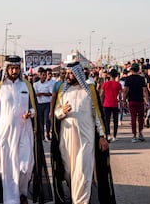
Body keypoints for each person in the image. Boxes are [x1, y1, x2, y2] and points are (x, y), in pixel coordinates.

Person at [0, 55, 52, 204]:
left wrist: (31, 113)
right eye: (11, 68)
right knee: (7, 170)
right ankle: (12, 200)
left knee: (26, 166)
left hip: (24, 132)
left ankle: (22, 192)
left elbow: (33, 108)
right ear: (6, 69)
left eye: (16, 68)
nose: (14, 71)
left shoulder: (26, 86)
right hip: (4, 135)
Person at [51, 61, 116, 204]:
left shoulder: (89, 90)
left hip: (86, 138)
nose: (68, 75)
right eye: (66, 73)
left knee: (82, 171)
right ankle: (75, 197)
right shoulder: (63, 90)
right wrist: (62, 111)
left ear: (78, 73)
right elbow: (56, 113)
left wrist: (102, 136)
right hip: (66, 138)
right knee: (68, 172)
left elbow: (98, 115)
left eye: (71, 72)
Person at [123, 63, 150, 143]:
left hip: (131, 101)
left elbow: (125, 91)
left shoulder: (128, 79)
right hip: (140, 101)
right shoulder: (142, 79)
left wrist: (124, 100)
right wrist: (147, 101)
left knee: (133, 118)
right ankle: (140, 133)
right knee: (140, 118)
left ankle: (134, 136)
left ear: (131, 70)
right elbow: (145, 91)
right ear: (138, 70)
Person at [101, 68, 122, 142]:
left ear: (109, 75)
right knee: (115, 121)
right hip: (115, 104)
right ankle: (114, 136)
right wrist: (121, 104)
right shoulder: (118, 84)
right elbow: (120, 96)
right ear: (116, 75)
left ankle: (108, 135)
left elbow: (102, 95)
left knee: (107, 121)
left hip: (106, 104)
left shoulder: (105, 84)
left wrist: (102, 102)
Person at [33, 68, 53, 141]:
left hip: (47, 104)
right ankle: (42, 135)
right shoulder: (36, 84)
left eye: (45, 75)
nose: (45, 77)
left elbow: (51, 93)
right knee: (40, 121)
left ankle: (47, 133)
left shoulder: (49, 84)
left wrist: (42, 94)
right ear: (40, 75)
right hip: (39, 104)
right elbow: (35, 94)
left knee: (47, 120)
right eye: (43, 75)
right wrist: (39, 94)